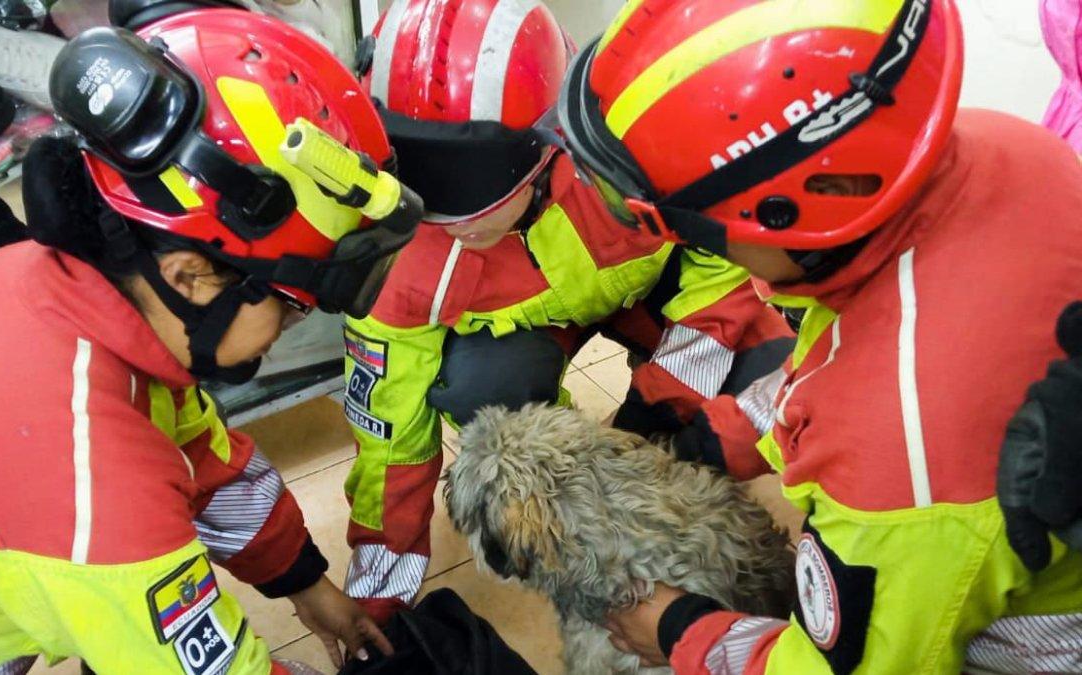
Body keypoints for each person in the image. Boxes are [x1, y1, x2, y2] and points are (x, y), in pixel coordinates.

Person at [0, 10, 417, 674]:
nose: (289, 330)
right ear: (188, 275)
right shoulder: (93, 484)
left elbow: (207, 458)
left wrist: (305, 583)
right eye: (289, 307)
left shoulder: (73, 298)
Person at [556, 0, 1082, 672]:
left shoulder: (901, 459)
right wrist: (714, 438)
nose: (694, 243)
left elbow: (838, 666)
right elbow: (844, 348)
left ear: (800, 206)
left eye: (692, 226)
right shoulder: (1004, 149)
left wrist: (679, 627)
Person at [341, 0, 794, 624]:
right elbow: (387, 435)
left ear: (545, 147)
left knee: (770, 381)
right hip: (528, 337)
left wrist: (648, 426)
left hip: (652, 303)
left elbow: (721, 284)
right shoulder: (396, 259)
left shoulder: (632, 157)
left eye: (467, 195)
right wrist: (378, 593)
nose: (443, 222)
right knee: (476, 388)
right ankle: (566, 500)